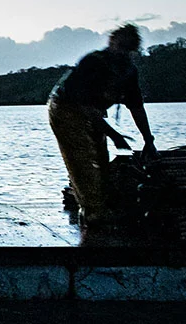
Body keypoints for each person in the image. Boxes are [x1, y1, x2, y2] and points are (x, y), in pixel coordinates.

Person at [47, 23, 158, 227]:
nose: (122, 52)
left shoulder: (128, 72)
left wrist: (148, 140)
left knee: (100, 157)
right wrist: (115, 136)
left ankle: (100, 204)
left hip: (94, 111)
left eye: (128, 49)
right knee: (82, 156)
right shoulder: (93, 63)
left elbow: (137, 108)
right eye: (120, 46)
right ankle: (94, 213)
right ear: (111, 41)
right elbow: (85, 108)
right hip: (65, 107)